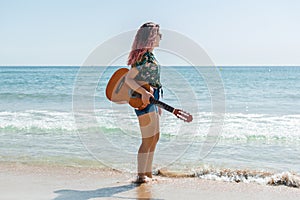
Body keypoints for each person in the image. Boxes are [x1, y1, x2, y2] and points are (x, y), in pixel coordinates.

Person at [125, 22, 162, 183]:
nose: (161, 37)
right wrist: (144, 93)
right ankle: (141, 175)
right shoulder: (142, 57)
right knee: (147, 138)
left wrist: (158, 104)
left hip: (154, 99)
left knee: (155, 137)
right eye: (158, 34)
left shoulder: (150, 56)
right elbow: (129, 79)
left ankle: (148, 174)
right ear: (151, 36)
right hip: (143, 100)